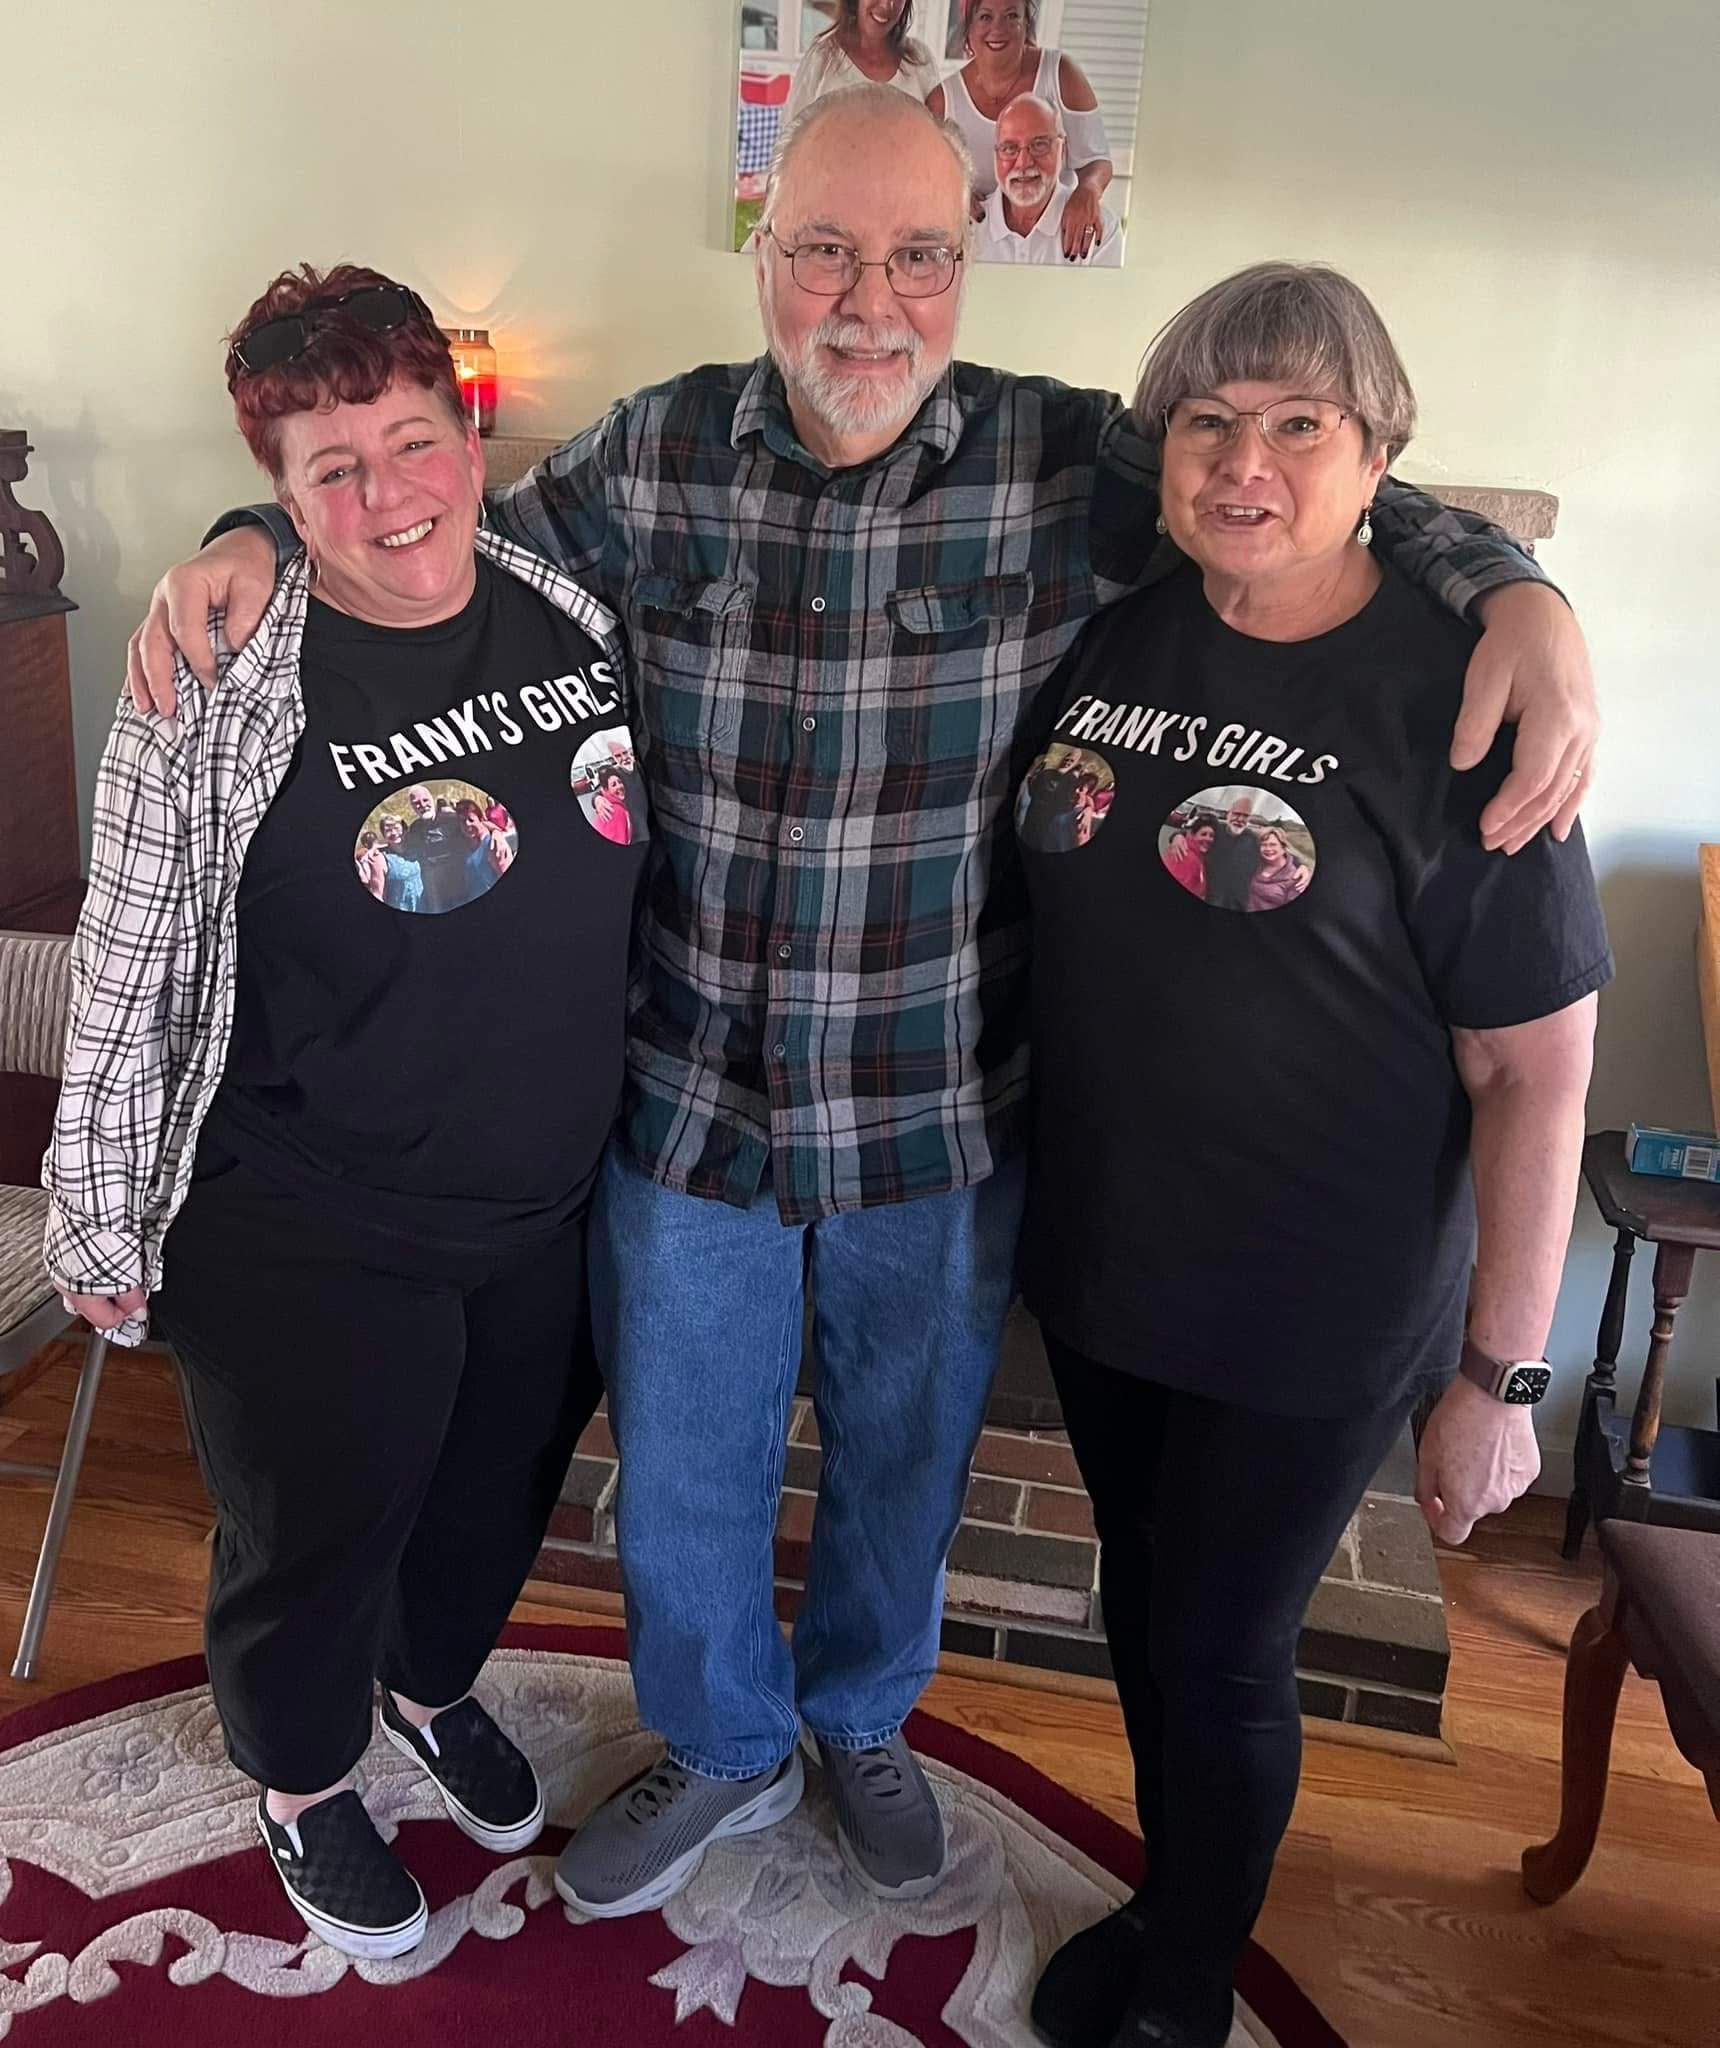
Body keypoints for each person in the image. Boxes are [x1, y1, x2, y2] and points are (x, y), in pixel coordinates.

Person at [125, 91, 1597, 1925]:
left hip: (938, 1112)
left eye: (918, 255)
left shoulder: (1078, 465)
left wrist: (1516, 586)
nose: (869, 300)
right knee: (684, 1486)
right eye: (825, 248)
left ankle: (862, 1721)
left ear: (967, 267)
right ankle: (728, 1741)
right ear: (763, 253)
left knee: (904, 1467)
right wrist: (236, 537)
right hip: (684, 1107)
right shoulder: (650, 454)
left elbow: (1305, 498)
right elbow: (412, 528)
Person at [1015, 261, 1612, 2048]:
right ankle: (1169, 1890)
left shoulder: (1465, 699)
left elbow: (1536, 1072)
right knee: (1151, 1606)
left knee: (1221, 1640)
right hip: (1112, 1256)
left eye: (1298, 425)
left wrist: (1502, 1374)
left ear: (1380, 460)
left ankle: (1191, 1969)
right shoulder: (1117, 628)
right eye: (1206, 421)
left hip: (1317, 1294)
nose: (1243, 461)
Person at [43, 264, 646, 1964]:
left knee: (490, 1500)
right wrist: (96, 1211)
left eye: (410, 438)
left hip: (540, 1199)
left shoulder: (566, 603)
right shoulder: (220, 669)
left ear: (467, 427)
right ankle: (303, 1781)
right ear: (284, 492)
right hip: (307, 1211)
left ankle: (433, 1682)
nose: (390, 495)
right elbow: (135, 949)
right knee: (317, 1528)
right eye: (331, 469)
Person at [929, 1, 1113, 261]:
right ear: (968, 27)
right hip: (984, 250)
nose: (997, 29)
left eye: (1011, 16)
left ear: (1027, 23)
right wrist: (951, 193)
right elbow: (926, 179)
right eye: (985, 17)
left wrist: (1088, 190)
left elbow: (1097, 159)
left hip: (1054, 242)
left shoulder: (1062, 74)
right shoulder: (942, 101)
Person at [982, 94, 1121, 266]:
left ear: (1062, 149)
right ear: (996, 155)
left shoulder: (1102, 229)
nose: (1023, 163)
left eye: (1040, 144)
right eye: (1010, 148)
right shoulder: (965, 228)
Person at [784, 0, 941, 122]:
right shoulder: (821, 58)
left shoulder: (920, 60)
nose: (887, 4)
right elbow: (789, 145)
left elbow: (938, 139)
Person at [400, 780, 465, 912]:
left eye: (425, 800)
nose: (422, 805)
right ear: (412, 807)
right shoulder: (414, 829)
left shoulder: (451, 818)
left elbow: (478, 827)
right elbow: (399, 847)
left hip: (460, 885)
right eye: (416, 803)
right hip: (435, 892)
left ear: (432, 799)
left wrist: (497, 833)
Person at [1200, 794, 1261, 909]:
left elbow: (1278, 854)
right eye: (1237, 813)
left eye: (1245, 816)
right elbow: (1191, 835)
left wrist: (1301, 866)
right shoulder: (1215, 830)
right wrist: (1177, 836)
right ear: (1229, 813)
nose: (1240, 819)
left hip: (1238, 902)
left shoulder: (1254, 839)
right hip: (1211, 896)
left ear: (1250, 819)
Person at [1246, 823, 1309, 910]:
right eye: (1264, 844)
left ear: (1283, 847)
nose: (1268, 848)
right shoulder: (1256, 863)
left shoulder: (1295, 877)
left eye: (1273, 844)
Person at [373, 812, 425, 911]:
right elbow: (378, 893)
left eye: (397, 828)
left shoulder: (414, 848)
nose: (393, 833)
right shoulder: (380, 858)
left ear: (404, 830)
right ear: (383, 834)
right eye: (388, 830)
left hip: (423, 906)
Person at [1161, 818, 1213, 898]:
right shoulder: (1184, 854)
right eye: (1203, 834)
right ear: (1193, 835)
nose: (1208, 838)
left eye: (1211, 836)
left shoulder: (1198, 855)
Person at [591, 765, 635, 845]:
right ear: (606, 789)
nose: (619, 786)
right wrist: (596, 798)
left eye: (620, 782)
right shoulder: (613, 810)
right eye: (614, 785)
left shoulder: (616, 804)